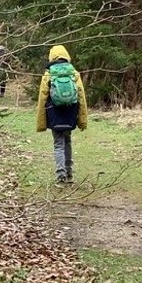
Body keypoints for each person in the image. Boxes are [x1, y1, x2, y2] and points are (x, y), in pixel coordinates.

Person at [35, 44, 87, 184]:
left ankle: (60, 176)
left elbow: (42, 98)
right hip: (70, 112)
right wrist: (82, 120)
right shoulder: (74, 73)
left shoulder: (49, 74)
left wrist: (41, 122)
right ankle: (70, 174)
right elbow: (81, 96)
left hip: (54, 113)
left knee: (58, 143)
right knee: (68, 141)